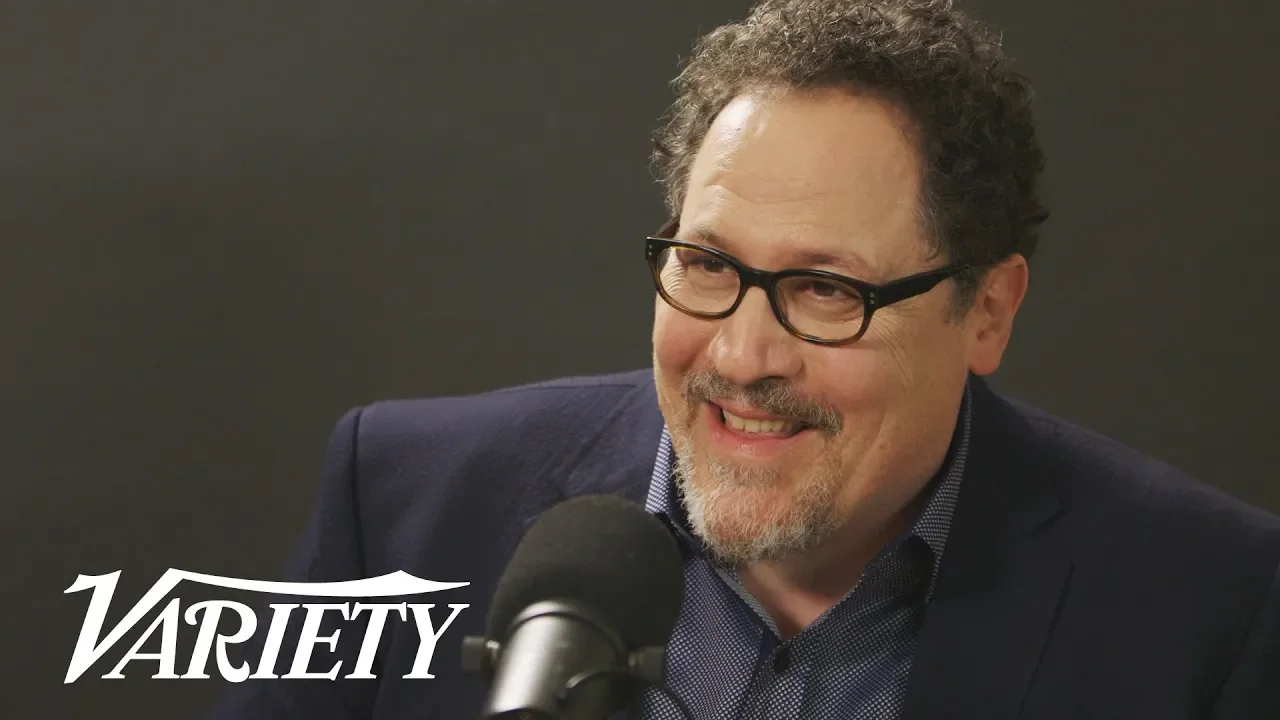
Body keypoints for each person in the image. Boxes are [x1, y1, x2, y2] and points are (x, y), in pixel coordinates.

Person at [211, 0, 1280, 718]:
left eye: (825, 289)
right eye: (707, 264)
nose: (740, 353)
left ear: (987, 311)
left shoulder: (1214, 608)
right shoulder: (401, 504)